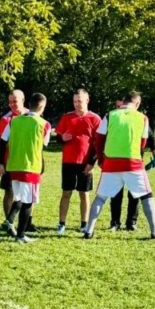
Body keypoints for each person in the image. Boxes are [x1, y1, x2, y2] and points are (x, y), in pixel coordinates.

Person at [83, 91, 155, 240]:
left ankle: (89, 231)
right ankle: (154, 231)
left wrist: (101, 159)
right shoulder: (142, 118)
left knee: (100, 198)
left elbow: (99, 139)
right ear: (137, 103)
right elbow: (143, 142)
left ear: (124, 101)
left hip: (111, 163)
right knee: (147, 195)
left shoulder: (110, 115)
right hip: (133, 163)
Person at [0, 92, 51, 244]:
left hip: (14, 166)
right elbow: (44, 145)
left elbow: (2, 141)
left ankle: (9, 220)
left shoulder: (13, 122)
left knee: (20, 197)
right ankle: (20, 235)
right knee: (28, 202)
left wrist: (1, 162)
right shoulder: (44, 124)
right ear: (42, 106)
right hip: (30, 167)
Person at [108, 97, 155, 230]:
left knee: (135, 194)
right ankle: (115, 223)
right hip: (116, 163)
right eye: (118, 107)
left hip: (134, 163)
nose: (120, 109)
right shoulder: (113, 119)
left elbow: (151, 138)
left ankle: (131, 223)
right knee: (116, 194)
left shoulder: (139, 119)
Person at [54, 88, 101, 235]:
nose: (77, 104)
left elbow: (98, 144)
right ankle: (61, 223)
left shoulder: (95, 119)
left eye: (79, 101)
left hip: (85, 163)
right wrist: (62, 138)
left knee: (84, 193)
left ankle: (84, 224)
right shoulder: (67, 117)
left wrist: (91, 163)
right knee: (66, 193)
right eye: (74, 101)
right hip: (68, 162)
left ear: (87, 100)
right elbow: (58, 137)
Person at [0, 88, 26, 226]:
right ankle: (9, 222)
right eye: (10, 102)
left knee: (28, 193)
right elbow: (3, 143)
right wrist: (1, 163)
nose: (12, 104)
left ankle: (27, 222)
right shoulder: (6, 119)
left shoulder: (32, 116)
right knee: (9, 192)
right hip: (10, 163)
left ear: (23, 100)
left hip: (27, 162)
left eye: (15, 101)